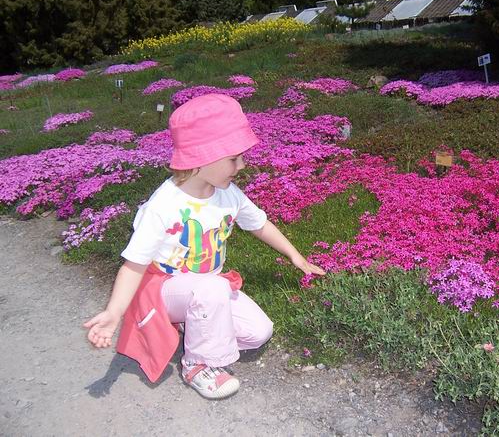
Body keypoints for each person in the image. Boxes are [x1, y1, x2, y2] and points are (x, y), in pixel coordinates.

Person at [84, 93, 325, 399]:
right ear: (202, 158)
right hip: (163, 290)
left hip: (207, 288)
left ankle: (197, 328)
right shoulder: (164, 206)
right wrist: (114, 312)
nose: (242, 165)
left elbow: (259, 224)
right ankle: (197, 364)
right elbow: (133, 266)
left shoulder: (228, 194)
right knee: (211, 289)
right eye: (233, 158)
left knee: (258, 332)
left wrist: (296, 257)